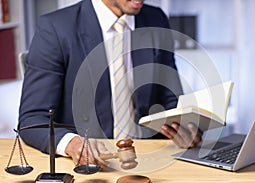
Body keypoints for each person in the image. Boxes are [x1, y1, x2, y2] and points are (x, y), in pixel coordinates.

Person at [18, 0, 202, 167]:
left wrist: (185, 126)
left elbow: (169, 97)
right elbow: (32, 120)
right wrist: (71, 143)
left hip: (149, 156)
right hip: (91, 163)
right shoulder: (56, 28)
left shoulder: (156, 18)